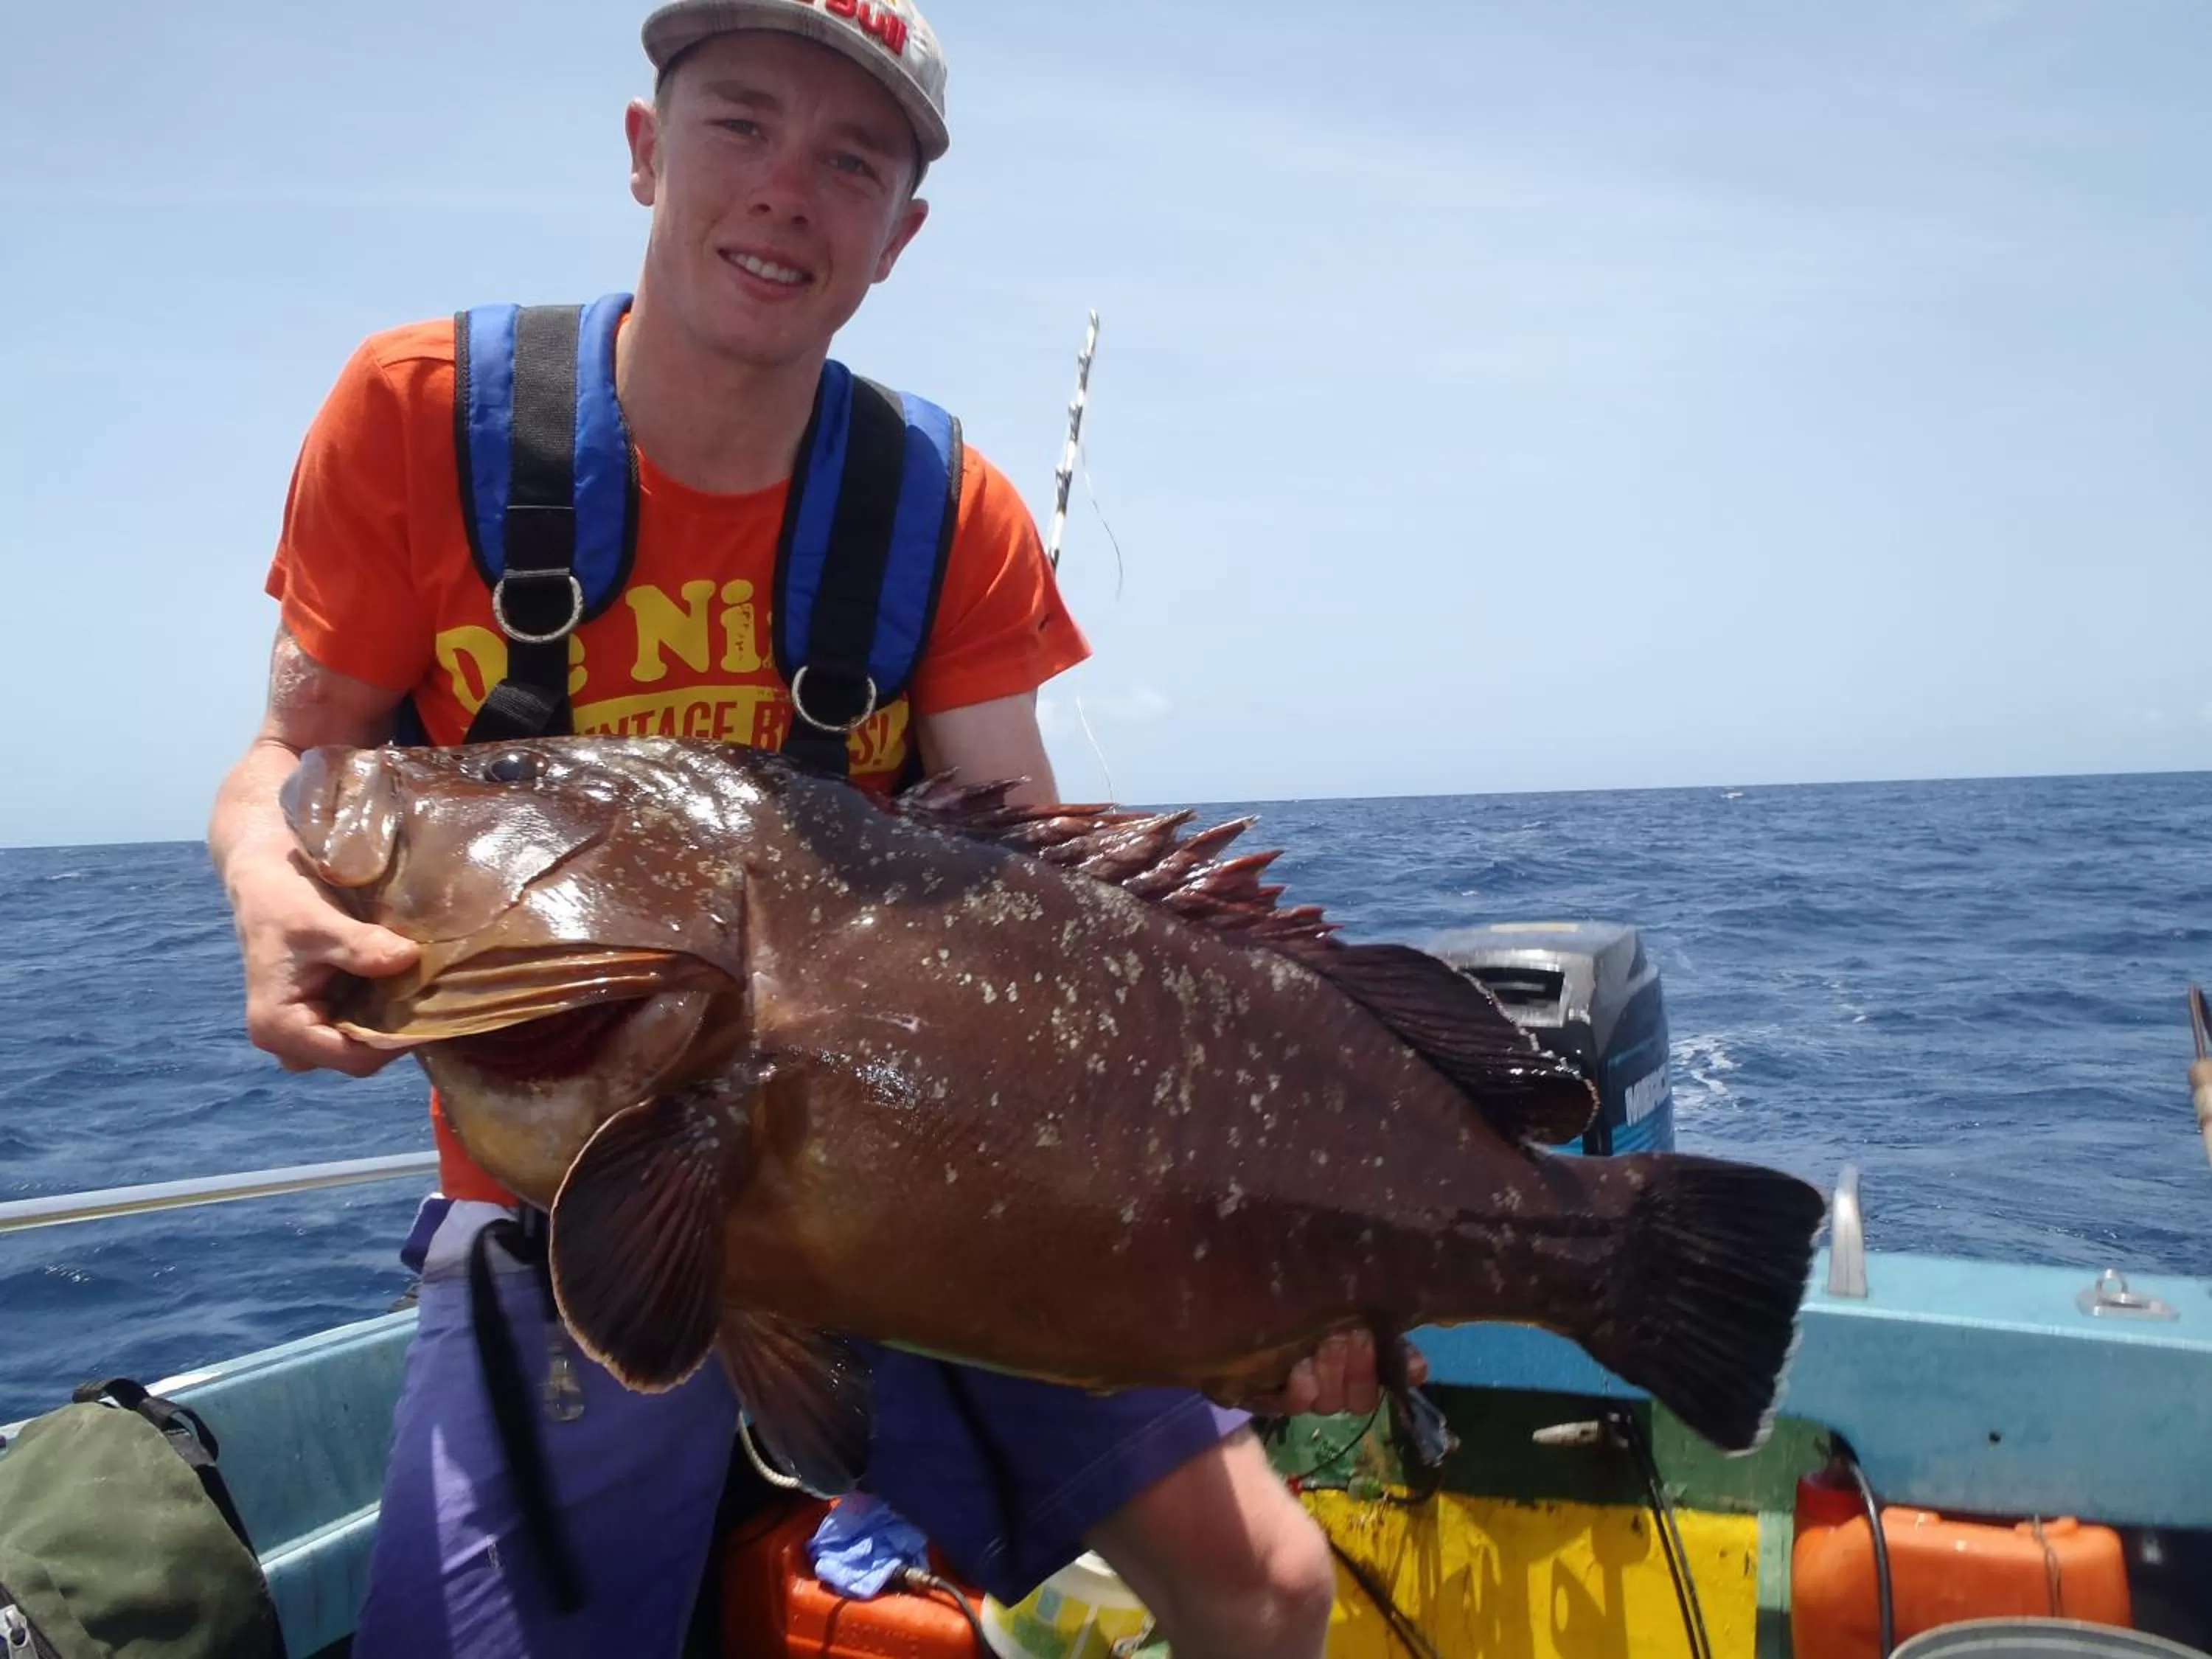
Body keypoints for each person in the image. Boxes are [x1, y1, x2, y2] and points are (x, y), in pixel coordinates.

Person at [208, 2, 1414, 1654]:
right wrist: (271, 899)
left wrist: (1242, 1279)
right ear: (644, 148)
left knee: (1270, 1591)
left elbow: (1065, 939)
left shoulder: (943, 510)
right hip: (580, 1206)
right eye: (741, 124)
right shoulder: (421, 418)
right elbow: (296, 760)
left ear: (899, 238)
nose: (789, 190)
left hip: (940, 1189)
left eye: (852, 161)